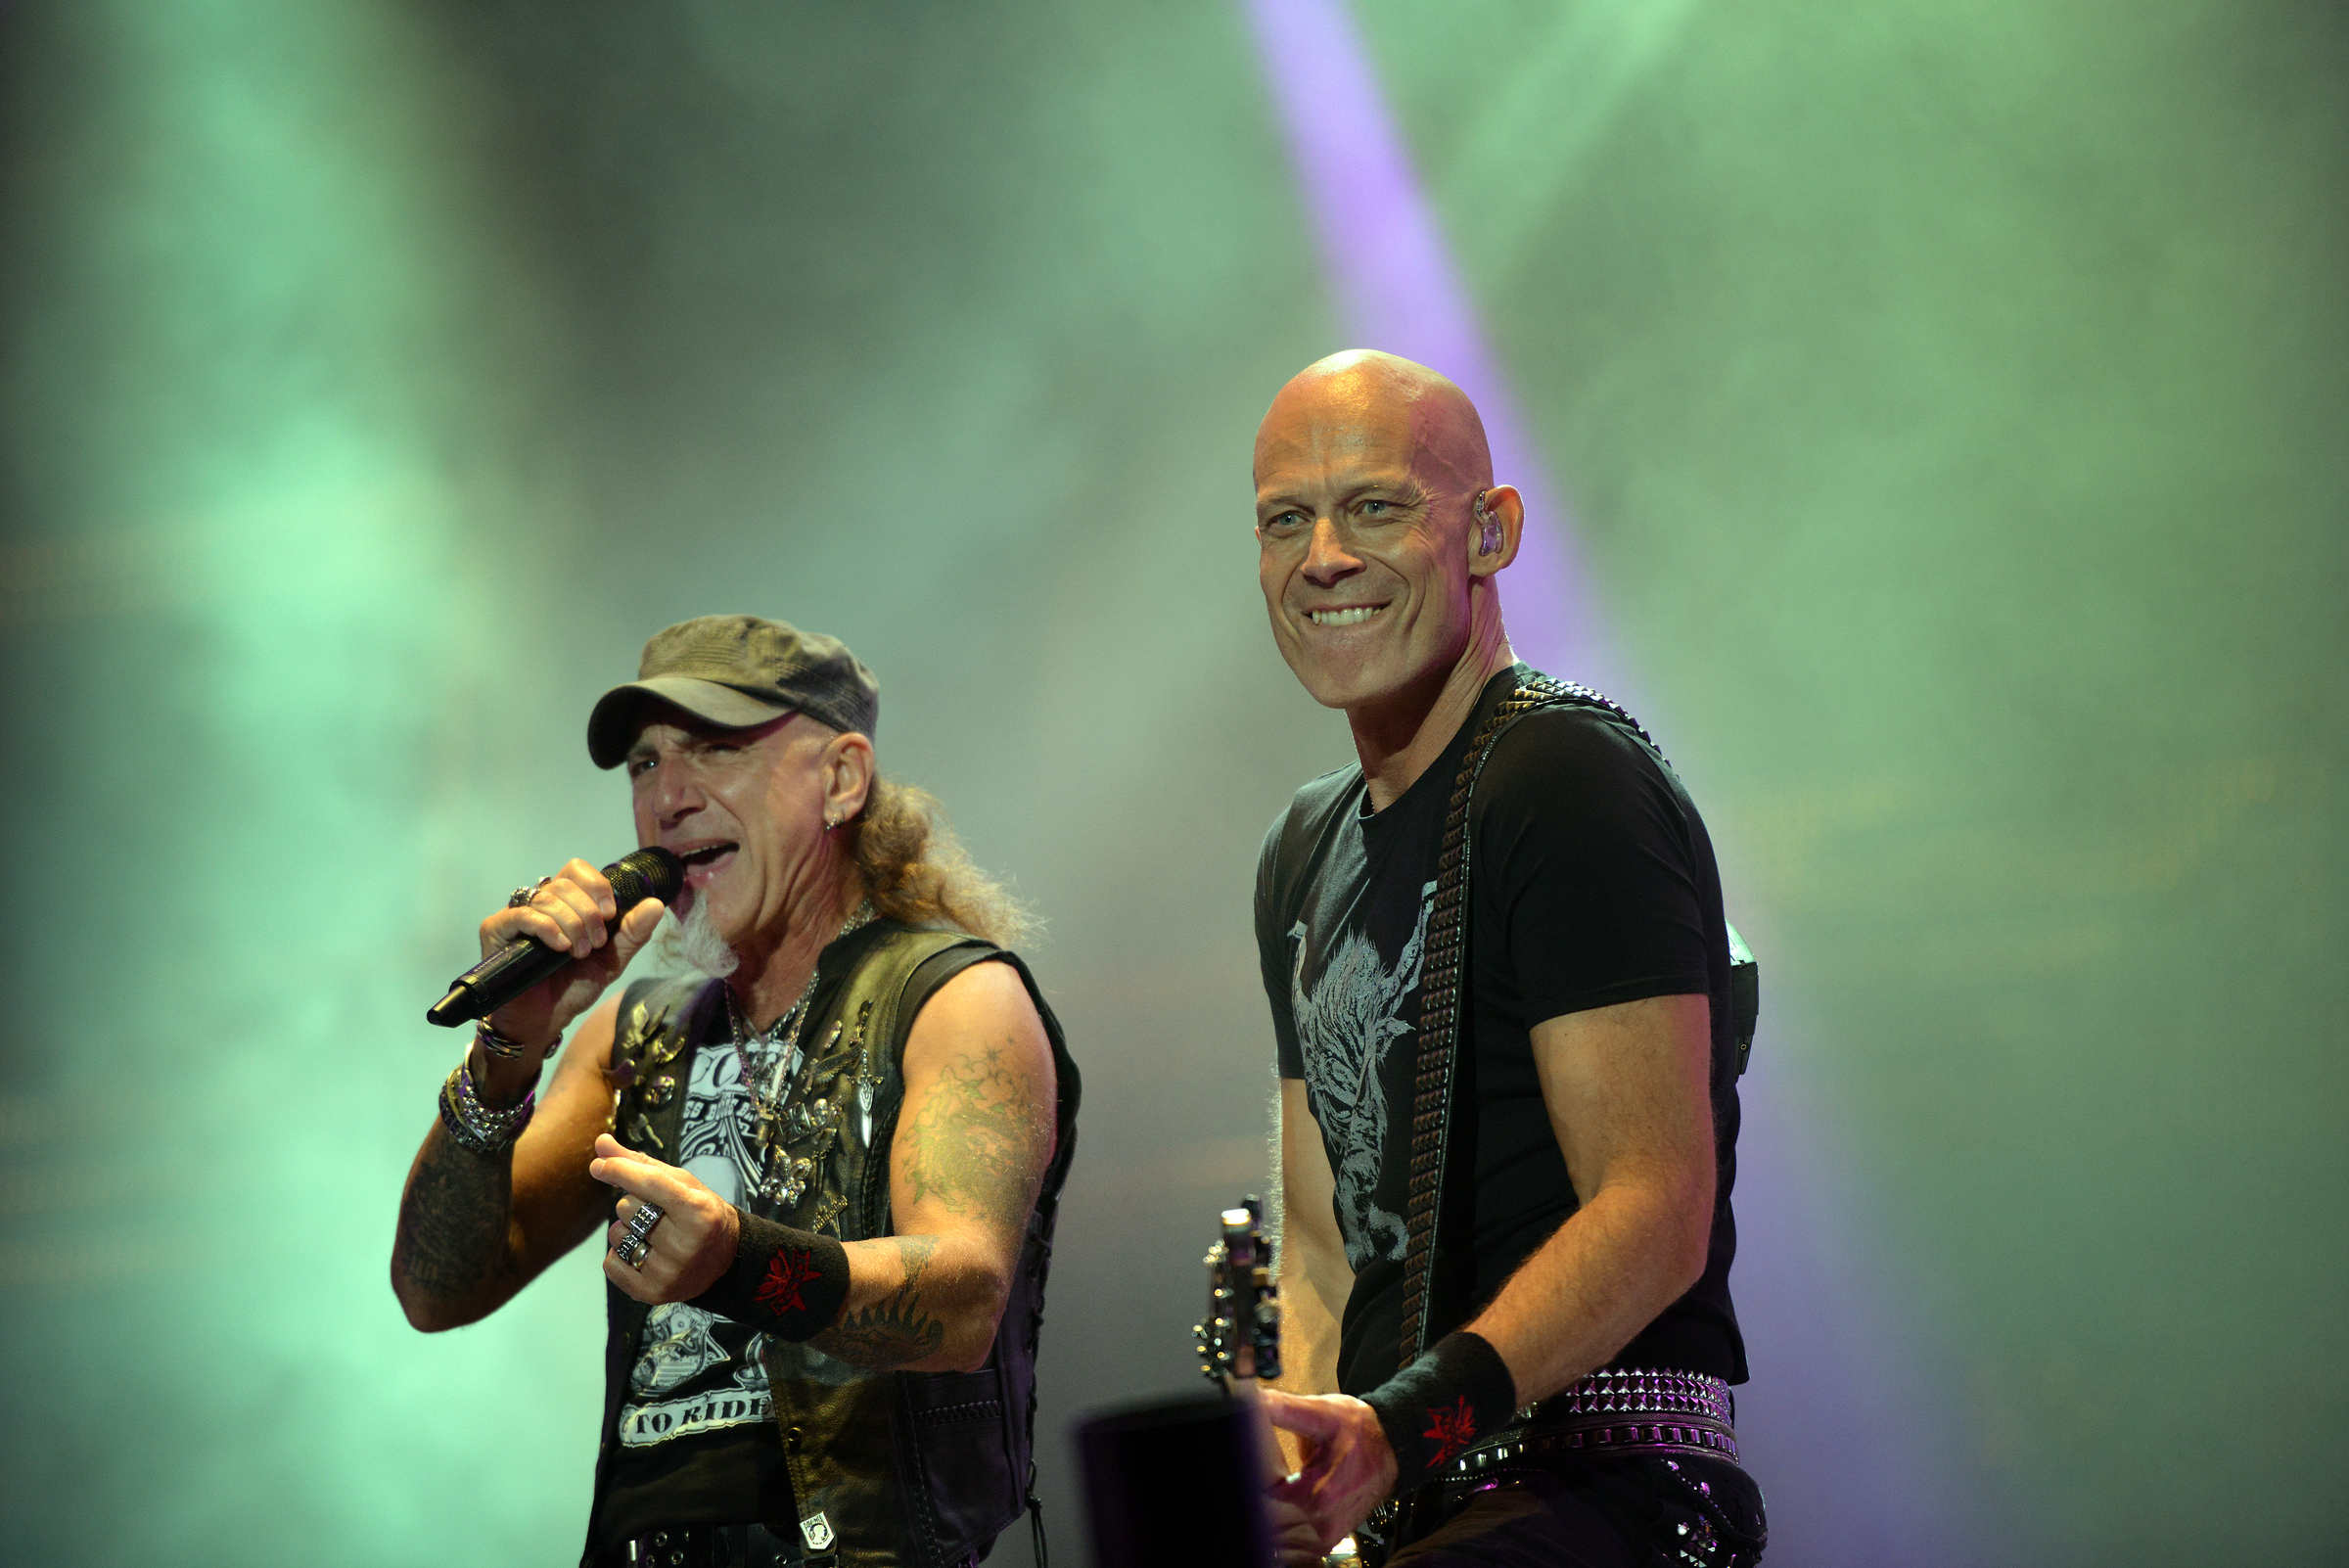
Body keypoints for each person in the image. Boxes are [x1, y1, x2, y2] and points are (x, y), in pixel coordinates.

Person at [391, 615, 1079, 1568]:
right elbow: (437, 1290)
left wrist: (735, 1263)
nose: (668, 798)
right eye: (644, 764)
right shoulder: (639, 1033)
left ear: (841, 780)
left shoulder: (954, 999)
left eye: (714, 748)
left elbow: (963, 1303)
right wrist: (508, 1046)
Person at [1247, 352, 1766, 1565]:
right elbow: (1320, 1244)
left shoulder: (1562, 778)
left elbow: (1655, 1206)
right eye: (1284, 520)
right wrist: (1317, 1497)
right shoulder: (1301, 848)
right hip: (1411, 1503)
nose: (1323, 556)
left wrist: (1400, 1429)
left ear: (1491, 532)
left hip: (1601, 1478)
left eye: (1374, 506)